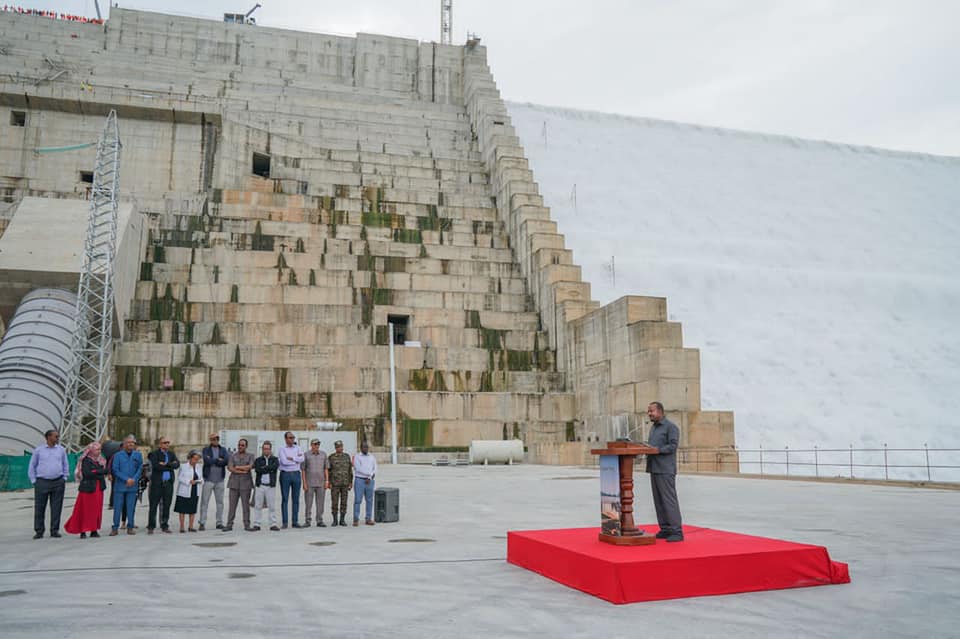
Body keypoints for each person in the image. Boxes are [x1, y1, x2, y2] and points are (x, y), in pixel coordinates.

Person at [645, 401, 683, 542]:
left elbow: (673, 446)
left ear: (660, 411)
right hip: (654, 468)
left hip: (665, 469)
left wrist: (657, 450)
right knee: (659, 501)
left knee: (668, 500)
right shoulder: (653, 428)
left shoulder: (671, 427)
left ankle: (677, 531)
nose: (649, 414)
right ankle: (665, 529)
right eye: (648, 411)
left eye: (652, 411)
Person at [28, 429, 69, 539]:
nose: (57, 438)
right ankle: (39, 530)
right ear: (49, 437)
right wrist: (34, 481)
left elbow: (65, 464)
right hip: (42, 482)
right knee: (39, 507)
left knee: (56, 507)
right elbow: (32, 465)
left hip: (58, 482)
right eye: (56, 436)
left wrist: (64, 477)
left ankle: (54, 530)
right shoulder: (39, 450)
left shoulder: (61, 450)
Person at [65, 442, 108, 538]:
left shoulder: (101, 460)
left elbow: (105, 471)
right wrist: (99, 472)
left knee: (96, 510)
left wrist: (96, 471)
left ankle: (94, 530)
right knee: (85, 510)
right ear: (91, 450)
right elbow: (87, 473)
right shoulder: (85, 460)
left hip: (98, 488)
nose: (99, 451)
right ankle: (83, 531)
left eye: (100, 449)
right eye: (97, 450)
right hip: (88, 489)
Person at [110, 435, 143, 536]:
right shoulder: (117, 455)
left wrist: (134, 479)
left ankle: (130, 527)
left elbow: (140, 468)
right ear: (124, 444)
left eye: (132, 442)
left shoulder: (138, 455)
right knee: (117, 507)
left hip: (132, 485)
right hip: (120, 485)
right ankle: (115, 528)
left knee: (131, 507)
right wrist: (126, 479)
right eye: (128, 442)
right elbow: (115, 469)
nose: (130, 444)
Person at [146, 437, 179, 534]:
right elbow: (156, 466)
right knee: (153, 505)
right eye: (165, 442)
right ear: (160, 444)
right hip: (157, 483)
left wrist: (165, 464)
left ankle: (164, 525)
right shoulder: (154, 454)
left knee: (166, 505)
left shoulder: (171, 454)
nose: (167, 444)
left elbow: (177, 465)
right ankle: (151, 526)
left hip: (168, 483)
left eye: (168, 442)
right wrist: (170, 466)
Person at [224, 438, 255, 532]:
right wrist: (241, 471)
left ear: (246, 446)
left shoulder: (250, 456)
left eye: (242, 445)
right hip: (234, 484)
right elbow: (230, 467)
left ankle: (247, 525)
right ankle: (229, 525)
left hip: (246, 484)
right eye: (239, 445)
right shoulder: (232, 456)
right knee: (232, 506)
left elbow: (250, 466)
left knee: (245, 506)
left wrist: (237, 467)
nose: (240, 447)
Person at [199, 433, 228, 531]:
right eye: (212, 439)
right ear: (210, 440)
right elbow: (207, 461)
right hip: (208, 480)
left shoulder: (223, 450)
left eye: (216, 439)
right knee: (204, 502)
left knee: (220, 503)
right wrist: (217, 460)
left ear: (218, 439)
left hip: (220, 480)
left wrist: (213, 460)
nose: (214, 441)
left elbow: (225, 461)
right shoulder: (206, 450)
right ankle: (202, 522)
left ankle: (219, 522)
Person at [277, 431, 304, 528]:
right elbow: (284, 461)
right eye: (290, 437)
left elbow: (302, 459)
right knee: (285, 498)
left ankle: (295, 521)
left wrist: (292, 458)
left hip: (296, 474)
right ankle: (285, 522)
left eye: (293, 437)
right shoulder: (282, 449)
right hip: (285, 475)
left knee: (296, 499)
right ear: (285, 439)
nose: (292, 439)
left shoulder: (298, 448)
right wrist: (296, 460)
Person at [252, 441, 280, 531]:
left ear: (270, 449)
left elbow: (274, 467)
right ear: (262, 450)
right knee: (258, 505)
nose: (266, 450)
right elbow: (258, 470)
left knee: (271, 506)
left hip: (270, 486)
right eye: (264, 449)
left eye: (267, 449)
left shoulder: (275, 459)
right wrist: (268, 468)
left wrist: (264, 468)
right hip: (260, 486)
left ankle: (273, 524)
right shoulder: (258, 460)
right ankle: (257, 524)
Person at [301, 439, 329, 527]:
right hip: (309, 483)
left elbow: (326, 469)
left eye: (318, 444)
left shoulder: (323, 454)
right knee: (308, 503)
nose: (317, 446)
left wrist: (327, 481)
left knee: (320, 503)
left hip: (321, 483)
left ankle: (319, 520)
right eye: (315, 444)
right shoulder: (306, 455)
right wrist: (304, 483)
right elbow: (303, 470)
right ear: (311, 445)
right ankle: (307, 520)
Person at [174, 451, 203, 532]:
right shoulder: (183, 466)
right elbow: (179, 478)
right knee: (182, 509)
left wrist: (198, 481)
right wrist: (188, 481)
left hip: (195, 489)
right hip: (184, 490)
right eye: (194, 459)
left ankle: (191, 526)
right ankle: (182, 527)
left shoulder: (199, 467)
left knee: (192, 509)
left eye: (197, 459)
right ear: (190, 458)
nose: (196, 461)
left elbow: (201, 478)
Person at [352, 440, 378, 526]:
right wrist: (369, 475)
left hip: (370, 481)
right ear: (361, 448)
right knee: (358, 500)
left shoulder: (372, 457)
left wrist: (370, 477)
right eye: (364, 447)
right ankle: (356, 519)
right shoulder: (357, 457)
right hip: (359, 480)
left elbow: (375, 468)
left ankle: (368, 518)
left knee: (369, 500)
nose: (366, 448)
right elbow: (358, 469)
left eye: (367, 447)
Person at [327, 440, 352, 527]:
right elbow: (328, 471)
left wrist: (350, 482)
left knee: (344, 502)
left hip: (345, 483)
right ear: (335, 448)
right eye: (338, 447)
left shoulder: (347, 456)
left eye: (341, 446)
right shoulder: (331, 457)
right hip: (335, 484)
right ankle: (335, 520)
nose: (340, 448)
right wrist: (329, 482)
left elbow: (350, 471)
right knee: (334, 502)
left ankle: (342, 520)